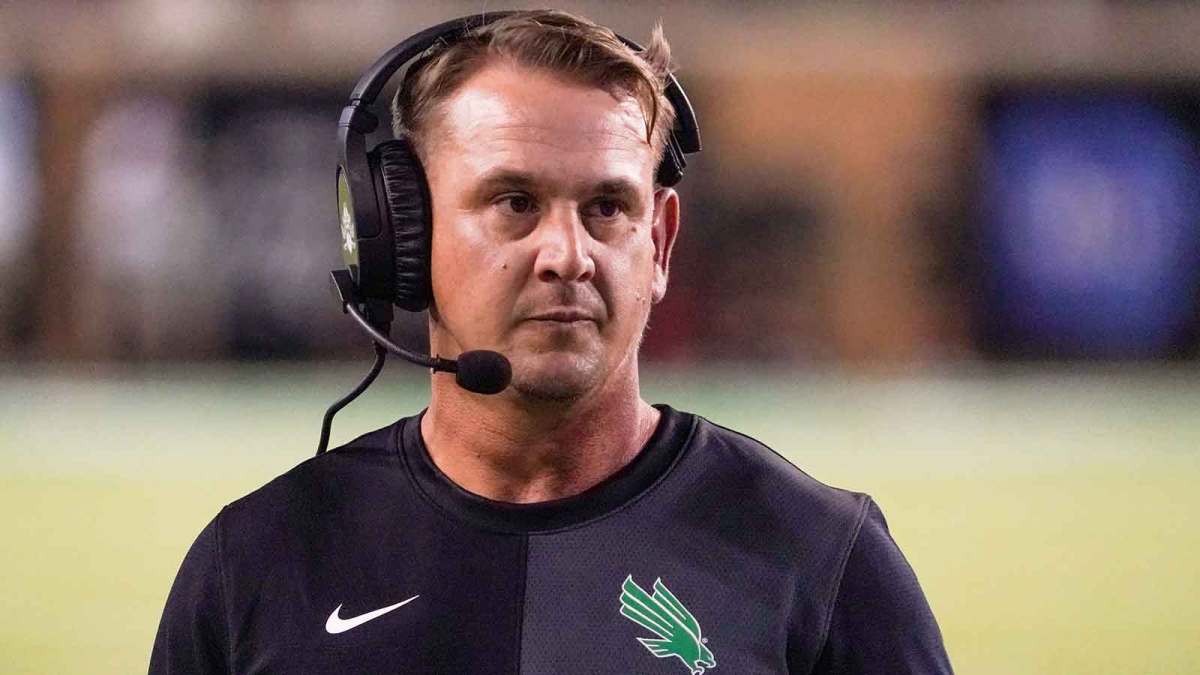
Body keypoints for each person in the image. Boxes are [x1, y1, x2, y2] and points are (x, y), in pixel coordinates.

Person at [151, 9, 953, 674]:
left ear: (661, 244)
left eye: (607, 208)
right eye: (513, 202)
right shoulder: (256, 565)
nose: (567, 254)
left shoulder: (822, 562)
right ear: (402, 233)